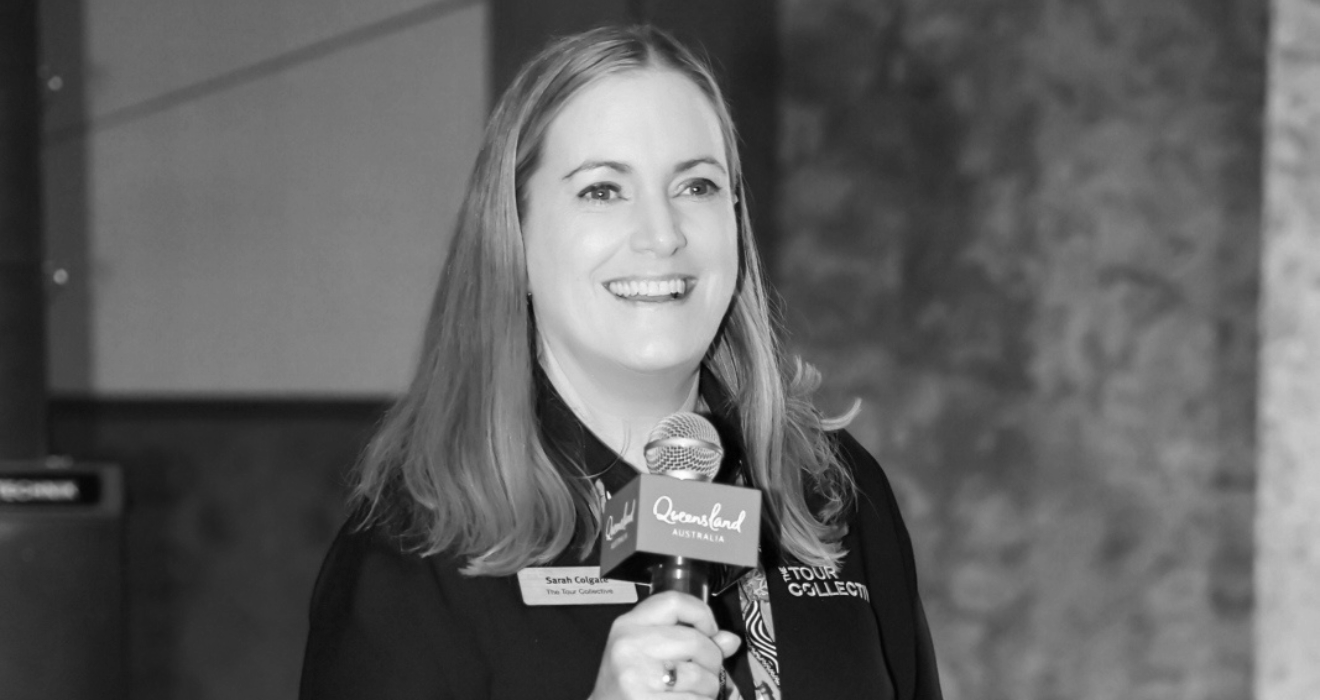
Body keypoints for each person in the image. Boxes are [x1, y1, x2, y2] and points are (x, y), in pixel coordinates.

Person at [300, 25, 942, 700]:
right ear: (512, 238)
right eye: (604, 190)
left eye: (696, 185)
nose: (662, 235)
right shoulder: (411, 555)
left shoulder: (833, 492)